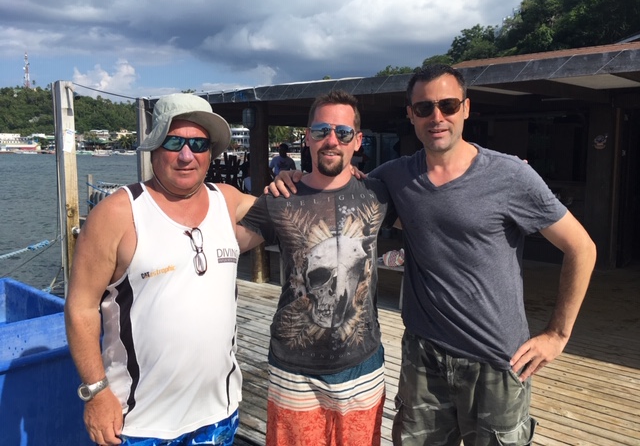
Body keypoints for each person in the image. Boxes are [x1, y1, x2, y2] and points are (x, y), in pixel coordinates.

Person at [270, 64, 597, 446]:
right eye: (425, 108)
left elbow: (581, 247)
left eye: (448, 105)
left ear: (466, 108)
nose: (437, 116)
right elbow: (341, 183)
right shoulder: (393, 178)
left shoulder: (510, 175)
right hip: (423, 358)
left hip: (496, 361)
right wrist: (293, 179)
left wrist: (557, 335)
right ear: (411, 114)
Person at [64, 93, 257, 446]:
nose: (186, 155)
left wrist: (296, 179)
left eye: (198, 144)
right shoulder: (117, 213)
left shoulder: (227, 201)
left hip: (219, 414)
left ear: (210, 153)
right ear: (155, 148)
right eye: (174, 142)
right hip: (139, 423)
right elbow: (80, 308)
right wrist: (96, 392)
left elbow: (286, 211)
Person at [237, 90, 395, 446]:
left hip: (363, 365)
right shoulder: (280, 199)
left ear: (357, 141)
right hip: (294, 371)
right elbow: (224, 242)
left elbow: (434, 215)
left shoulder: (379, 195)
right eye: (322, 130)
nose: (332, 140)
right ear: (307, 137)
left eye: (343, 132)